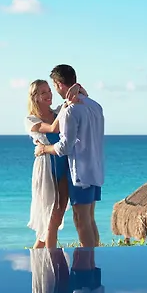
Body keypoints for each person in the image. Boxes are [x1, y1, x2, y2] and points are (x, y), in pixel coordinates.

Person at [35, 65, 105, 248]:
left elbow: (65, 147)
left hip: (80, 172)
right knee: (89, 218)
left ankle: (87, 262)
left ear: (59, 84)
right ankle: (94, 259)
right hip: (96, 168)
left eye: (53, 86)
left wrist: (44, 149)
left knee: (81, 220)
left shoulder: (71, 110)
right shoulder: (95, 106)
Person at [25, 80, 85, 249]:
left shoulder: (59, 111)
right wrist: (66, 106)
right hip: (46, 169)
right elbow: (53, 129)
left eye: (49, 90)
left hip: (63, 166)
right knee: (50, 220)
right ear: (35, 97)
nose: (49, 94)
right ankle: (50, 260)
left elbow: (82, 96)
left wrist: (77, 87)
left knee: (57, 218)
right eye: (43, 92)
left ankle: (38, 259)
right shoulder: (30, 119)